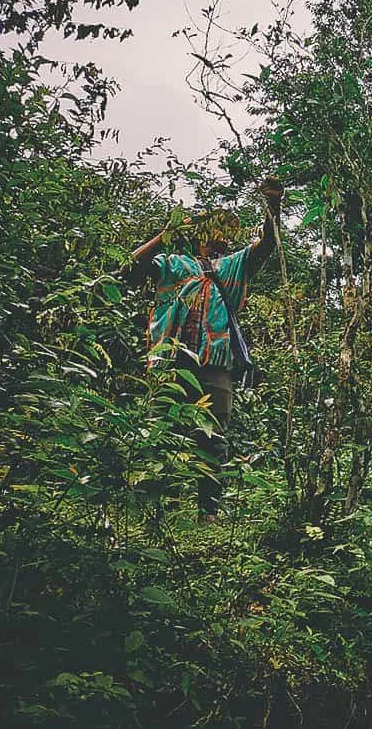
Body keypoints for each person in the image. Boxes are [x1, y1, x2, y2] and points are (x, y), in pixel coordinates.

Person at [126, 177, 283, 521]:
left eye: (226, 234)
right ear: (200, 237)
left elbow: (268, 245)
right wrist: (166, 232)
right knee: (161, 433)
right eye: (215, 232)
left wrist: (273, 205)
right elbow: (129, 269)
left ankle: (208, 513)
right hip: (170, 361)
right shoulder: (174, 264)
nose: (222, 239)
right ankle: (161, 512)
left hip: (216, 365)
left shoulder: (232, 266)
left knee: (213, 439)